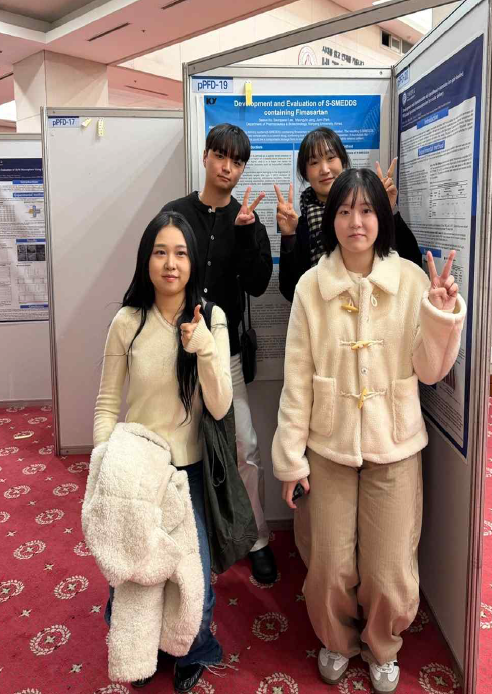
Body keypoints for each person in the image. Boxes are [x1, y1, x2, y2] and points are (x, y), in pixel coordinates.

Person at [272, 168, 466, 693]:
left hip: (395, 442)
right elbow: (296, 380)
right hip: (327, 445)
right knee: (328, 564)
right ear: (330, 218)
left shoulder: (411, 280)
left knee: (389, 568)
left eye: (366, 210)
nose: (355, 222)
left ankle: (382, 645)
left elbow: (431, 371)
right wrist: (290, 459)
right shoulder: (311, 286)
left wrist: (440, 315)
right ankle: (336, 640)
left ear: (381, 216)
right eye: (344, 211)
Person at [92, 210, 232, 692]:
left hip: (188, 471)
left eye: (181, 253)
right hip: (136, 469)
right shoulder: (127, 321)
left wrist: (203, 347)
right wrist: (102, 464)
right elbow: (107, 402)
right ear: (145, 259)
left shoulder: (210, 318)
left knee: (193, 579)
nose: (171, 264)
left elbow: (220, 405)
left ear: (193, 262)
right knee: (134, 571)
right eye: (160, 252)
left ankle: (193, 648)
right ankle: (141, 648)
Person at [162, 123, 277, 585]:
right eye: (222, 157)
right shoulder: (175, 213)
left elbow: (258, 285)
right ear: (206, 157)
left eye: (238, 161)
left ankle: (257, 539)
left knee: (244, 447)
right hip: (176, 350)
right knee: (173, 446)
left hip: (224, 355)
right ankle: (182, 539)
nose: (228, 168)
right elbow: (158, 273)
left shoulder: (248, 219)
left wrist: (246, 234)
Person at [274, 126, 422, 303]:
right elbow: (291, 290)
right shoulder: (302, 225)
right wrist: (289, 235)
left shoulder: (369, 216)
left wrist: (387, 210)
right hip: (323, 313)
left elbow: (411, 262)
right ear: (305, 173)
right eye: (314, 162)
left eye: (331, 158)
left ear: (343, 161)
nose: (324, 169)